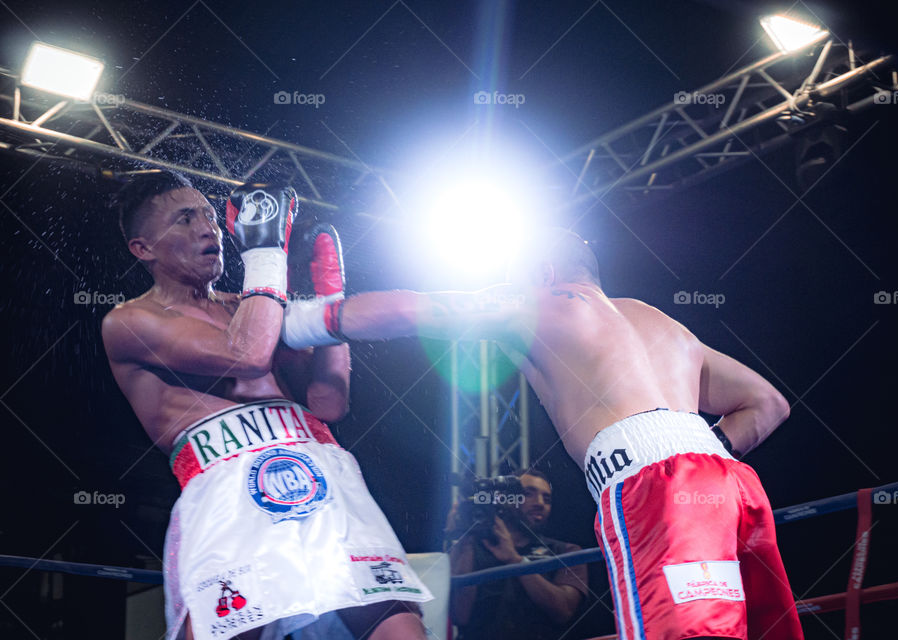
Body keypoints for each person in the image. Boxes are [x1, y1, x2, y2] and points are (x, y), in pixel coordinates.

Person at [282, 228, 804, 640]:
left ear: (543, 271)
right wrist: (699, 459)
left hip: (659, 490)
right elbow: (769, 404)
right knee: (761, 629)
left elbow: (415, 310)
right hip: (730, 485)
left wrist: (299, 322)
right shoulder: (659, 321)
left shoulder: (542, 303)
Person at [101, 171, 431, 640]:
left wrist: (328, 298)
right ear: (143, 248)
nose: (207, 228)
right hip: (228, 490)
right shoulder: (131, 320)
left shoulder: (254, 305)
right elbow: (248, 356)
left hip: (321, 470)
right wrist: (265, 254)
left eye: (212, 217)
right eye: (185, 219)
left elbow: (328, 402)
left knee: (400, 630)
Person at [448, 469, 587, 640]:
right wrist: (465, 533)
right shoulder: (470, 547)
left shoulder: (566, 552)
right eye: (528, 494)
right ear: (504, 499)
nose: (540, 503)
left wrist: (515, 560)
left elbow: (564, 611)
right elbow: (459, 615)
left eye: (547, 498)